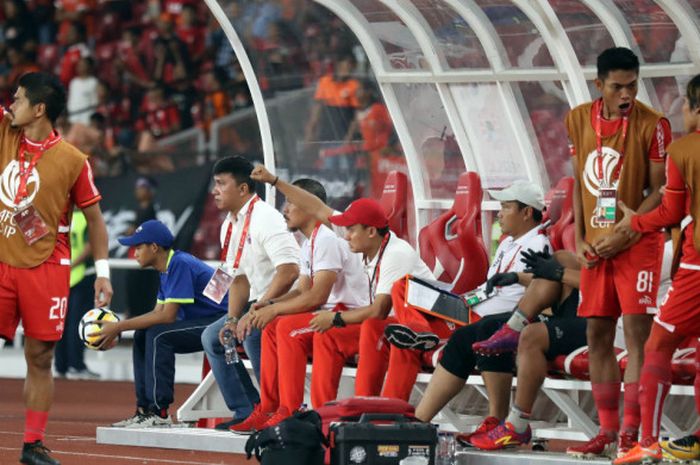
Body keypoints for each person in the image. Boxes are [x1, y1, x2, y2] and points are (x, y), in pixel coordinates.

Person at [473, 47, 672, 458]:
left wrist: (628, 227)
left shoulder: (654, 125)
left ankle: (632, 435)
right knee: (598, 333)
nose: (625, 95)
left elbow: (660, 192)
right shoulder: (578, 118)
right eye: (617, 87)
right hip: (596, 245)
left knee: (635, 337)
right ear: (599, 85)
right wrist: (579, 237)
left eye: (632, 86)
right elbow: (581, 183)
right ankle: (607, 431)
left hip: (636, 244)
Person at [250, 164, 433, 408]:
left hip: (419, 327)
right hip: (381, 323)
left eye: (351, 230)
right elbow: (316, 207)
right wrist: (274, 181)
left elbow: (378, 311)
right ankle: (320, 416)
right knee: (328, 336)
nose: (345, 236)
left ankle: (362, 410)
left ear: (370, 231)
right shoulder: (362, 243)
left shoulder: (395, 253)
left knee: (353, 327)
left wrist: (335, 318)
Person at [0, 72, 113, 465]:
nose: (11, 105)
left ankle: (32, 445)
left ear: (39, 109)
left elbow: (96, 220)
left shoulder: (73, 160)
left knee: (41, 357)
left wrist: (103, 272)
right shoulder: (6, 132)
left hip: (47, 266)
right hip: (1, 261)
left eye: (17, 100)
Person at [382, 180, 550, 401]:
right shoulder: (508, 243)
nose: (500, 214)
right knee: (404, 289)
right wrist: (460, 298)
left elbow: (543, 287)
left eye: (506, 207)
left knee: (403, 327)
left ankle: (393, 407)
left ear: (527, 212)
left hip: (485, 320)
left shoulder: (538, 245)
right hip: (468, 308)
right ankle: (391, 405)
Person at [229, 178, 369, 433]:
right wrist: (267, 305)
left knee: (286, 329)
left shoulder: (327, 238)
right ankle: (271, 406)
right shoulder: (309, 241)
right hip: (332, 312)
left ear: (309, 205)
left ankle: (290, 411)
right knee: (273, 325)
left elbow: (316, 297)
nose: (285, 209)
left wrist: (274, 309)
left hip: (352, 316)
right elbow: (302, 290)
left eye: (291, 202)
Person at [412, 251, 586, 449]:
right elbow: (555, 277)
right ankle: (418, 424)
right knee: (463, 337)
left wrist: (557, 273)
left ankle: (498, 420)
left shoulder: (613, 251)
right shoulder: (580, 249)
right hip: (556, 310)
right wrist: (519, 277)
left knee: (491, 329)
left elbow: (593, 281)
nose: (500, 217)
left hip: (586, 319)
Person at [613, 74, 700, 464]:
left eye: (684, 104)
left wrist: (633, 222)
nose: (681, 111)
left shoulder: (683, 150)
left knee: (656, 345)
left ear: (697, 108)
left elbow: (670, 212)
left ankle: (647, 440)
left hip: (697, 269)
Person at [94, 220, 228, 428]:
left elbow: (167, 317)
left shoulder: (179, 264)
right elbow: (159, 312)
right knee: (142, 333)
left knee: (158, 335)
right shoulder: (167, 267)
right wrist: (123, 326)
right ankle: (144, 410)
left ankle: (160, 412)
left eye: (138, 247)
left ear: (154, 247)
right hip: (210, 318)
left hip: (225, 320)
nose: (134, 253)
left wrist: (118, 327)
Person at [201, 156, 300, 431]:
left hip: (285, 301)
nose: (215, 191)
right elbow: (238, 278)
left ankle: (278, 410)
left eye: (221, 184)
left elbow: (290, 271)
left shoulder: (267, 219)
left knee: (254, 331)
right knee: (213, 337)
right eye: (214, 184)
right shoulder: (228, 225)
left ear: (243, 189)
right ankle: (248, 409)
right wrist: (232, 319)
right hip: (257, 301)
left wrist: (259, 309)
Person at [54, 209, 99, 380]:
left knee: (62, 322)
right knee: (78, 323)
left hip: (62, 276)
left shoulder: (60, 217)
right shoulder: (87, 217)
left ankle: (61, 366)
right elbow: (90, 245)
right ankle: (76, 365)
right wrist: (73, 264)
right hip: (82, 275)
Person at [125, 176, 160, 318]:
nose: (138, 190)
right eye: (137, 187)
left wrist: (132, 231)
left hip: (143, 263)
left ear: (150, 191)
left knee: (142, 296)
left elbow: (141, 233)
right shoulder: (139, 210)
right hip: (134, 258)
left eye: (143, 187)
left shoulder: (150, 212)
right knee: (133, 295)